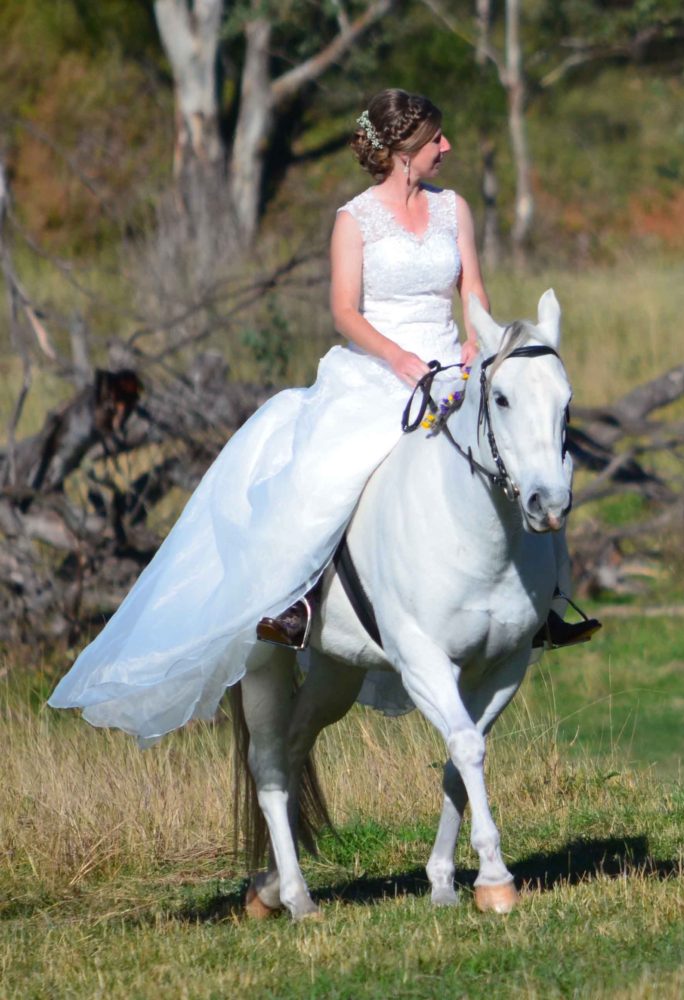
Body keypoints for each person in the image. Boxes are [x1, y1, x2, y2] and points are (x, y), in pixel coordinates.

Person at [49, 89, 597, 745]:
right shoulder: (354, 220)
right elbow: (345, 311)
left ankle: (542, 605)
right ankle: (294, 605)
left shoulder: (454, 210)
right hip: (378, 370)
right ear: (400, 153)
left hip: (451, 366)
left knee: (521, 459)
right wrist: (400, 360)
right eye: (435, 141)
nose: (446, 148)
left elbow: (471, 291)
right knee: (325, 474)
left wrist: (479, 346)